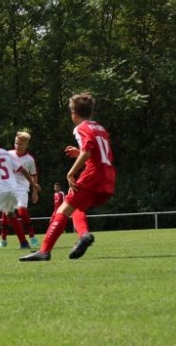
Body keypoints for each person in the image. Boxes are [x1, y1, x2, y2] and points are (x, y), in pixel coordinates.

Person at [21, 93, 115, 262]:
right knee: (75, 207)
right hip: (108, 176)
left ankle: (44, 251)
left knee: (62, 210)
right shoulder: (100, 128)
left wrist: (70, 173)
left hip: (92, 175)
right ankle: (84, 235)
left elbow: (87, 153)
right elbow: (98, 154)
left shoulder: (81, 128)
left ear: (74, 113)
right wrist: (79, 153)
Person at [0, 131, 40, 249]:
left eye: (20, 144)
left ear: (26, 145)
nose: (17, 146)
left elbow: (34, 175)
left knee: (22, 213)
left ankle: (32, 237)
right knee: (6, 213)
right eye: (16, 143)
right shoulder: (8, 154)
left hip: (22, 189)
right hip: (8, 188)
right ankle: (3, 239)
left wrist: (35, 192)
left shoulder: (29, 159)